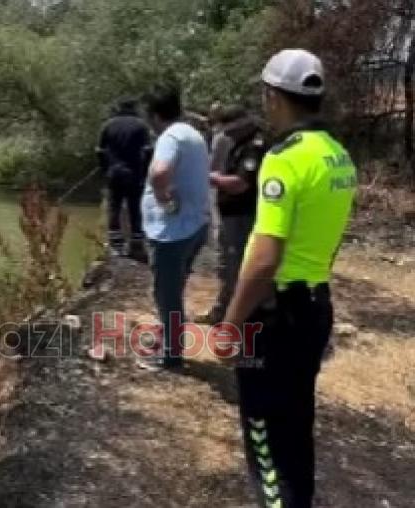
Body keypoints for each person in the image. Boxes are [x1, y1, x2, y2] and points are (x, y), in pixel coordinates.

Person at [215, 49, 357, 508]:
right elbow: (330, 241)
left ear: (273, 96)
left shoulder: (283, 159)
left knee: (263, 428)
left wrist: (231, 325)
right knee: (296, 420)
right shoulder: (339, 158)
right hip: (316, 308)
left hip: (275, 318)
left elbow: (263, 260)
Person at [141, 84, 210, 369]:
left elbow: (159, 173)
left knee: (166, 294)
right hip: (194, 226)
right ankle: (168, 337)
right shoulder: (192, 133)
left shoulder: (169, 137)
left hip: (173, 233)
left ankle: (171, 357)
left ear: (155, 116)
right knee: (174, 288)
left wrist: (163, 199)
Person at [199, 104, 268, 324]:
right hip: (232, 215)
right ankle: (224, 312)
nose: (226, 135)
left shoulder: (254, 146)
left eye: (229, 130)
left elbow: (240, 184)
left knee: (234, 266)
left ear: (242, 125)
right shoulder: (240, 142)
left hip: (242, 216)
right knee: (227, 264)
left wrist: (209, 177)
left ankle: (235, 318)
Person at [96, 97, 152, 262]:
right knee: (135, 207)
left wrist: (105, 168)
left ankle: (116, 245)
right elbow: (148, 150)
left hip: (114, 173)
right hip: (135, 173)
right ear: (134, 108)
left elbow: (99, 151)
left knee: (115, 207)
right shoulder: (141, 126)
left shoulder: (108, 125)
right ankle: (136, 244)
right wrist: (145, 171)